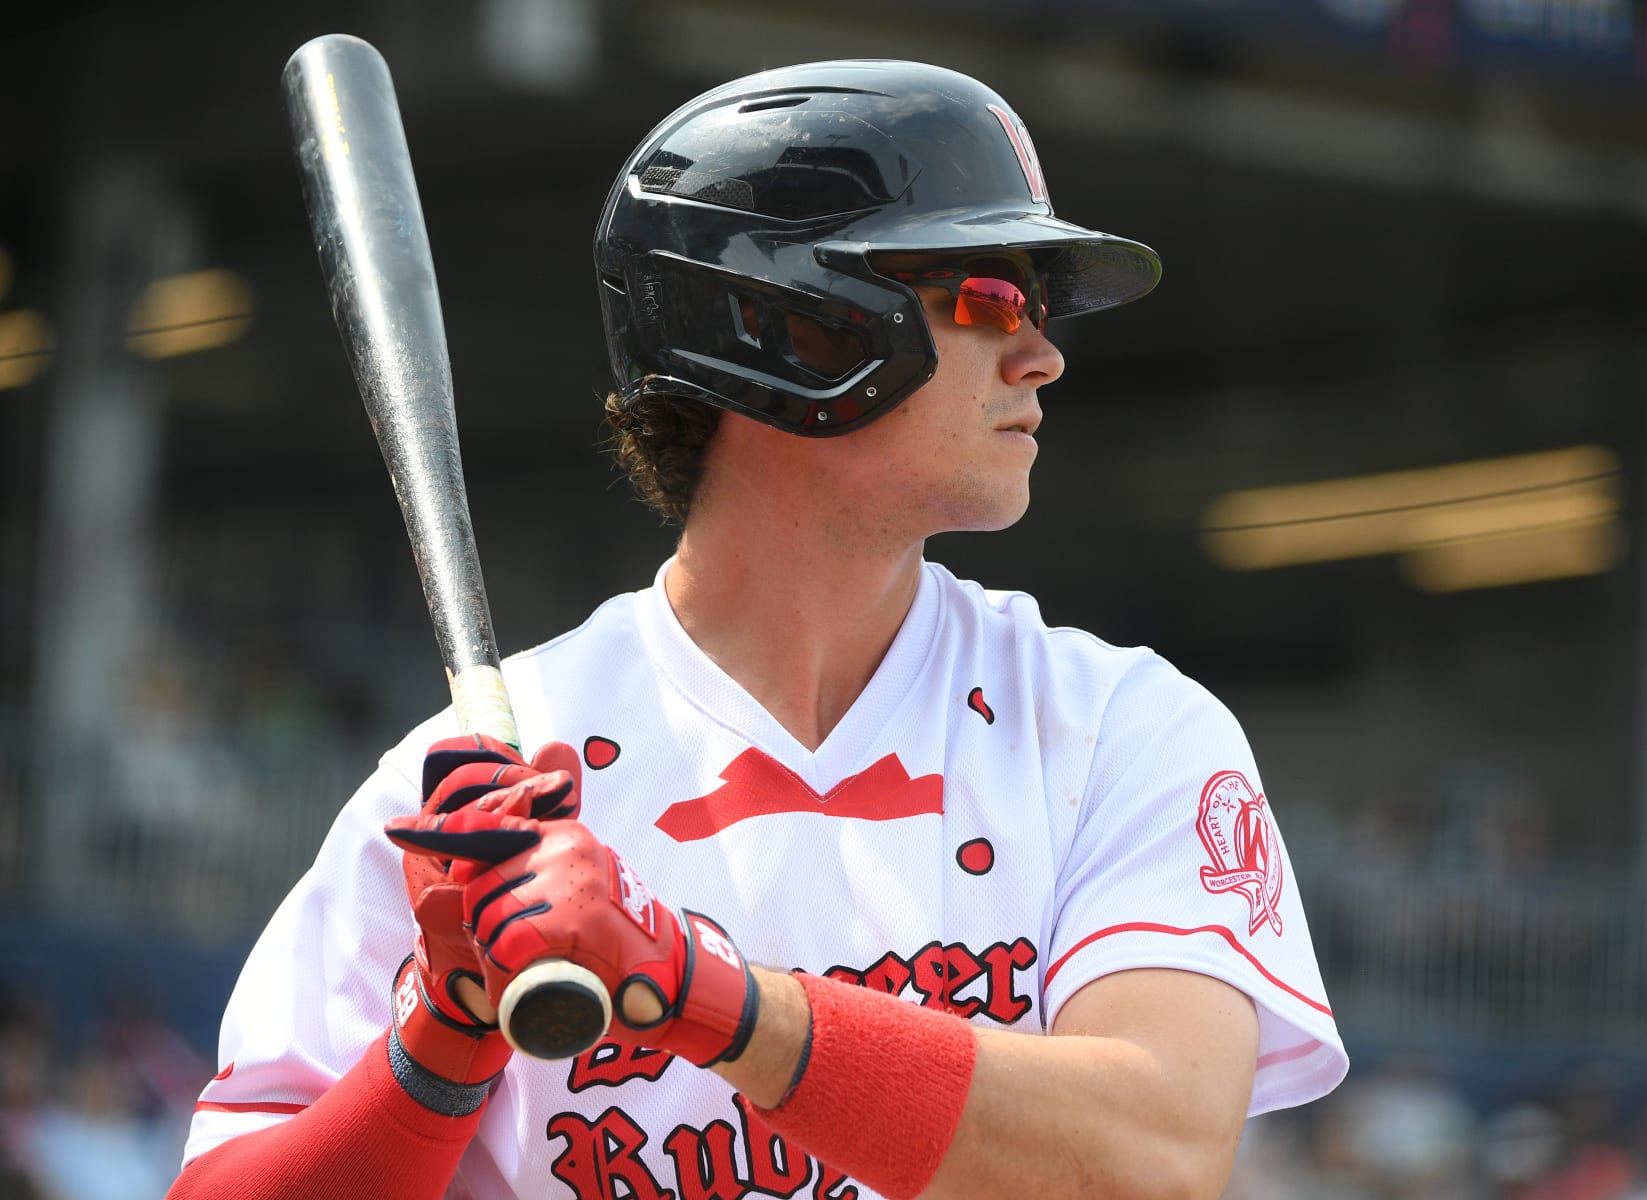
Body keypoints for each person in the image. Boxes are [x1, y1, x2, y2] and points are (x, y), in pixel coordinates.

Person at [170, 58, 1348, 1200]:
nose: (1039, 352)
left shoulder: (1114, 731)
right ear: (792, 325)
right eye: (989, 296)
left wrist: (700, 990)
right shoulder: (467, 799)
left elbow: (1154, 1159)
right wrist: (442, 1034)